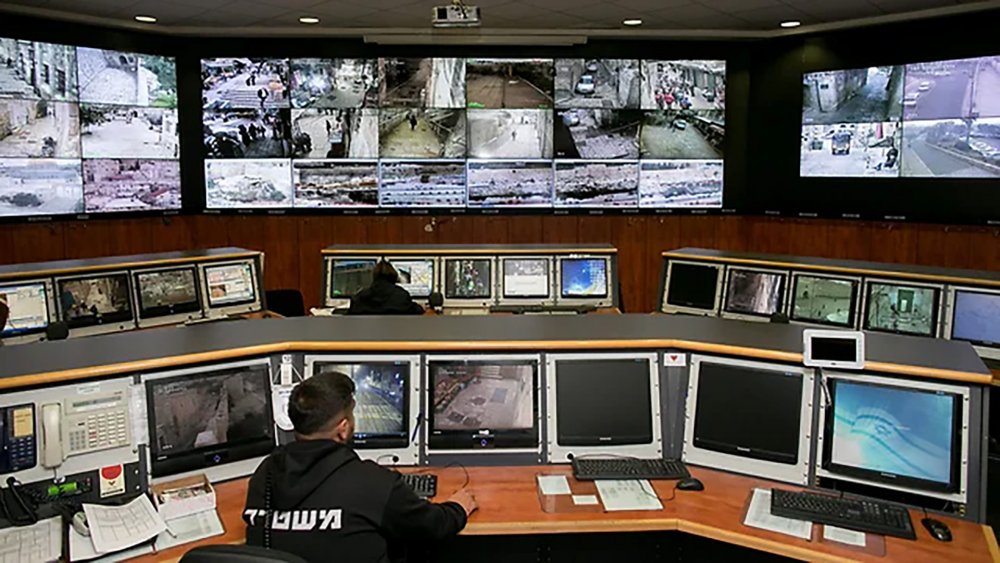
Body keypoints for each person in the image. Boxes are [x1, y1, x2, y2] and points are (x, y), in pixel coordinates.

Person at [243, 372, 476, 562]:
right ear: (343, 428)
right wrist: (458, 507)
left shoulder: (265, 475)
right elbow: (432, 525)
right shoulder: (374, 483)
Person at [348, 260, 424, 315]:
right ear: (394, 276)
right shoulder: (401, 296)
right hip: (397, 335)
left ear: (374, 276)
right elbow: (416, 311)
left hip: (367, 336)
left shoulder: (360, 298)